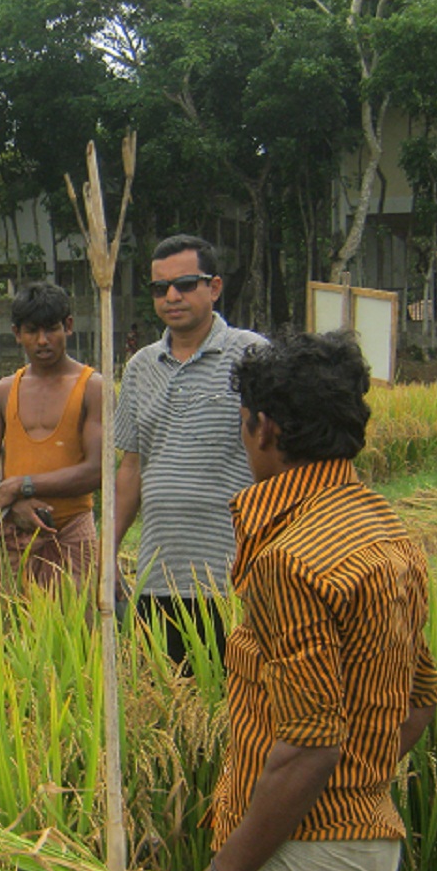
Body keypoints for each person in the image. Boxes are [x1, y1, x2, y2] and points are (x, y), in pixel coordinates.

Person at [131, 330, 437, 871]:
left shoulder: (289, 558)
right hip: (362, 852)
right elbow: (419, 696)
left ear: (263, 426)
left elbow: (309, 746)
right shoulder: (386, 530)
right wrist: (356, 790)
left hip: (297, 857)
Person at [114, 234, 264, 666]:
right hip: (158, 574)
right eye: (160, 288)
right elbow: (131, 467)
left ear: (214, 287)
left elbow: (283, 459)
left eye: (185, 284)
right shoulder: (142, 366)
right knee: (168, 698)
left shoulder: (252, 355)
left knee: (236, 699)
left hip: (233, 576)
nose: (171, 296)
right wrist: (109, 551)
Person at [0, 281, 103, 591]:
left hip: (71, 529)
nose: (42, 341)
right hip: (14, 531)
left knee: (77, 629)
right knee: (9, 627)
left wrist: (22, 485)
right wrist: (10, 506)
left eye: (51, 329)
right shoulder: (3, 392)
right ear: (17, 333)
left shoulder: (91, 387)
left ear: (68, 326)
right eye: (32, 331)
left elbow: (97, 470)